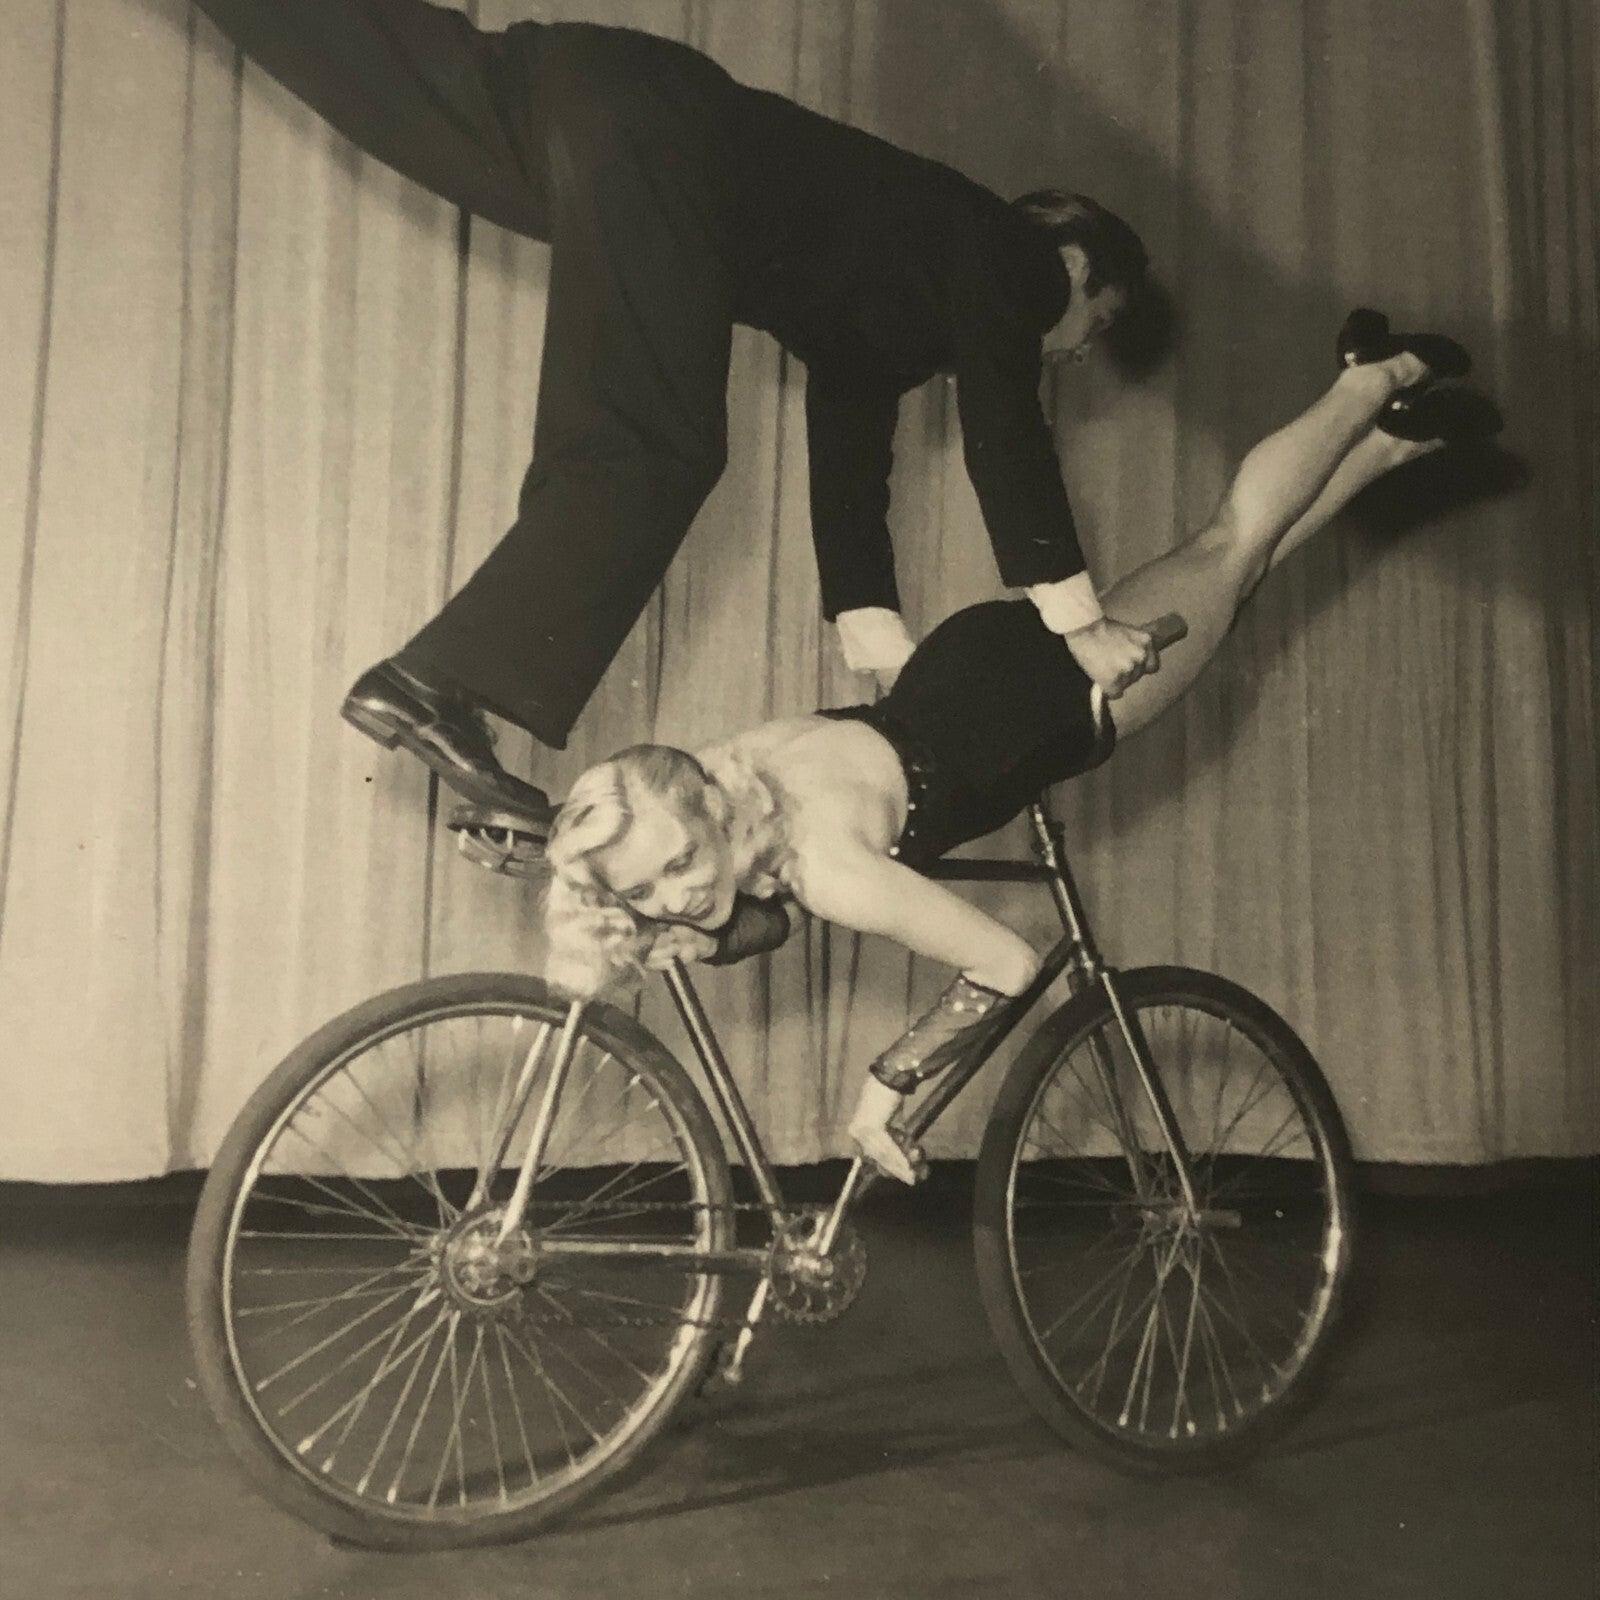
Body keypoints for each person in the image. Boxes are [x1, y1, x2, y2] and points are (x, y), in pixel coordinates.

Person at [538, 314, 1505, 1183]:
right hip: (969, 673)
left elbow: (1006, 964)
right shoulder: (722, 768)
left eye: (675, 869)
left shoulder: (831, 870)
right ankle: (1383, 447)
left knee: (1229, 545)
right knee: (1230, 577)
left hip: (1054, 701)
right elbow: (746, 907)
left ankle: (1373, 377)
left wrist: (889, 1087)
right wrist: (638, 903)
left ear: (709, 817)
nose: (673, 895)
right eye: (644, 890)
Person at [183, 2, 1158, 810]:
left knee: (354, 43)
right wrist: (1079, 623)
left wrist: (882, 647)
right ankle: (436, 682)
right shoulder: (1015, 258)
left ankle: (438, 681)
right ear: (1073, 265)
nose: (1070, 351)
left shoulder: (900, 302)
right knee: (660, 446)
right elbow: (1007, 431)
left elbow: (852, 468)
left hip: (596, 90)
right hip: (660, 138)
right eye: (1091, 326)